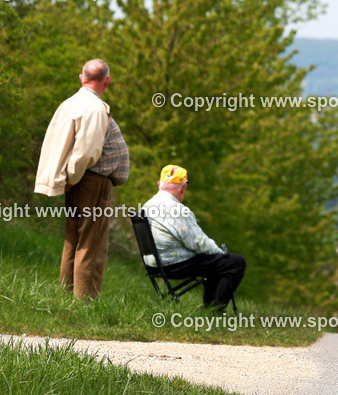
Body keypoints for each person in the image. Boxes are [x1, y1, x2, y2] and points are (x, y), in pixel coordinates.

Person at [34, 59, 130, 299]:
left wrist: (69, 178)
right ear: (107, 81)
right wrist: (73, 177)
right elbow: (87, 150)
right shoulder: (95, 108)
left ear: (81, 77)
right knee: (92, 244)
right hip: (90, 181)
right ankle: (84, 303)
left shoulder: (68, 104)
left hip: (77, 180)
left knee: (73, 239)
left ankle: (66, 296)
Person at [142, 165, 246, 311]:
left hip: (154, 263)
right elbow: (198, 243)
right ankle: (214, 310)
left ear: (159, 184)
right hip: (174, 264)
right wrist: (220, 252)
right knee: (235, 262)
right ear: (183, 188)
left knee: (213, 261)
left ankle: (210, 307)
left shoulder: (146, 206)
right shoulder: (177, 209)